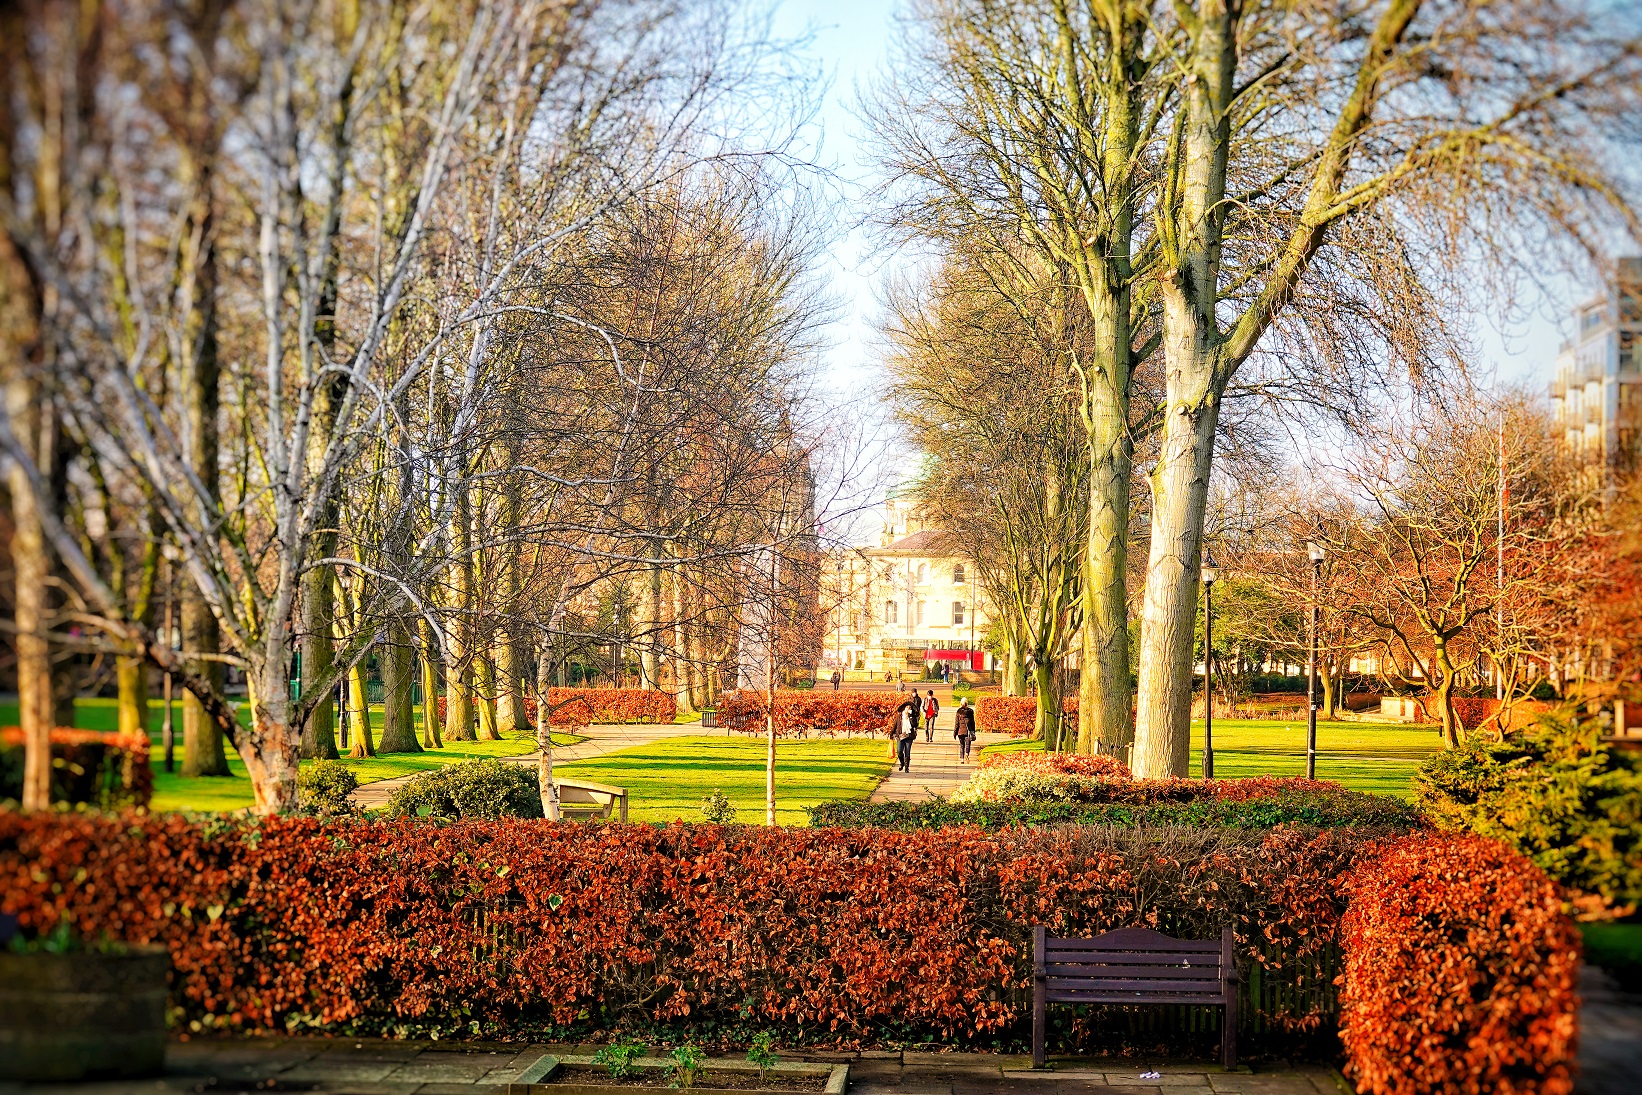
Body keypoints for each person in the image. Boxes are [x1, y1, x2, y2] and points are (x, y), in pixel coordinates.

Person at [893, 699, 918, 771]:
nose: (908, 709)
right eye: (907, 707)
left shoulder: (912, 716)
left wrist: (910, 717)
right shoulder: (900, 716)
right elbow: (895, 725)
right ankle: (902, 763)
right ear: (904, 708)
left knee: (907, 751)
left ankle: (907, 767)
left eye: (909, 708)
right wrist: (892, 733)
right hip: (901, 735)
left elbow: (915, 725)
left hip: (909, 736)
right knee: (899, 751)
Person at [953, 697, 976, 761]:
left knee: (962, 745)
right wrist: (973, 731)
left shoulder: (959, 711)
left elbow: (956, 723)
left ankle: (962, 759)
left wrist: (955, 733)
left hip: (960, 731)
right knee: (968, 744)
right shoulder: (970, 711)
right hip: (968, 731)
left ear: (961, 703)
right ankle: (966, 753)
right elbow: (972, 722)